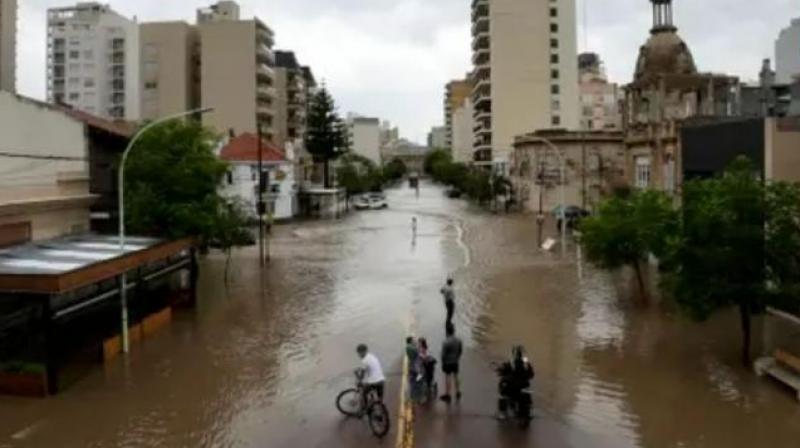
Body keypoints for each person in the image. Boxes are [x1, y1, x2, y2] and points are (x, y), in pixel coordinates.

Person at [440, 323, 463, 404]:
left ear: (447, 331)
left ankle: (448, 394)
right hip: (455, 361)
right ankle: (458, 392)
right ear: (454, 331)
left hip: (447, 362)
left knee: (448, 377)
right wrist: (457, 357)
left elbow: (443, 355)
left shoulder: (445, 342)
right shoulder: (458, 340)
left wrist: (443, 363)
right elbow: (460, 351)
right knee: (456, 376)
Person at [405, 336, 422, 402]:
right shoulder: (411, 347)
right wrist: (418, 345)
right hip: (416, 367)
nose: (414, 341)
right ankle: (418, 397)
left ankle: (410, 397)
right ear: (410, 341)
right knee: (419, 380)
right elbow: (418, 352)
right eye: (413, 340)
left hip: (411, 367)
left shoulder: (408, 347)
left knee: (411, 382)